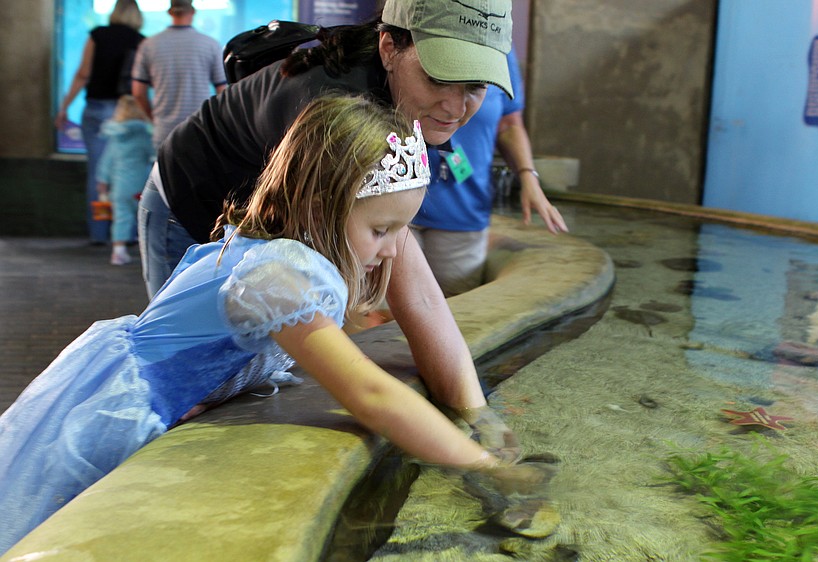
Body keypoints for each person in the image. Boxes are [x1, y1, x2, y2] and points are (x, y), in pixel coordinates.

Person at [0, 96, 541, 556]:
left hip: (118, 387)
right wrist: (487, 466)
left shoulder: (264, 249)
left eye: (403, 229)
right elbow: (372, 395)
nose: (395, 249)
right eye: (381, 228)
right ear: (319, 204)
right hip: (109, 414)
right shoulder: (281, 275)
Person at [137, 0, 526, 300]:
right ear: (388, 47)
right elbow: (399, 292)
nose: (456, 110)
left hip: (266, 214)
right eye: (439, 77)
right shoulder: (334, 110)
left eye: (476, 87)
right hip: (190, 198)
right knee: (190, 368)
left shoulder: (411, 101)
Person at [411, 50, 568, 296]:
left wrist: (528, 177)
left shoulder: (502, 52)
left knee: (455, 311)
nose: (454, 106)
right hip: (398, 203)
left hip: (463, 209)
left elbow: (509, 122)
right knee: (378, 316)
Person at [54, 0, 145, 245]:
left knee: (98, 172)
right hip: (124, 111)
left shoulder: (98, 35)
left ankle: (99, 233)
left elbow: (83, 73)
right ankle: (128, 234)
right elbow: (140, 84)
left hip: (95, 108)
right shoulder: (140, 41)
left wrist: (64, 107)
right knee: (131, 171)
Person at [131, 0, 227, 149]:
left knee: (164, 172)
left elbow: (138, 93)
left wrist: (154, 119)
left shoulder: (148, 45)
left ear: (169, 12)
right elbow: (222, 92)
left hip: (164, 130)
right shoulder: (210, 44)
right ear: (193, 11)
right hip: (200, 128)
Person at [95, 95, 155, 265]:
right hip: (139, 184)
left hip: (119, 185)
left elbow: (107, 161)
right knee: (144, 219)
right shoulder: (143, 134)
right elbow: (152, 154)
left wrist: (102, 182)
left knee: (121, 217)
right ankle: (147, 252)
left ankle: (118, 251)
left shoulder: (115, 137)